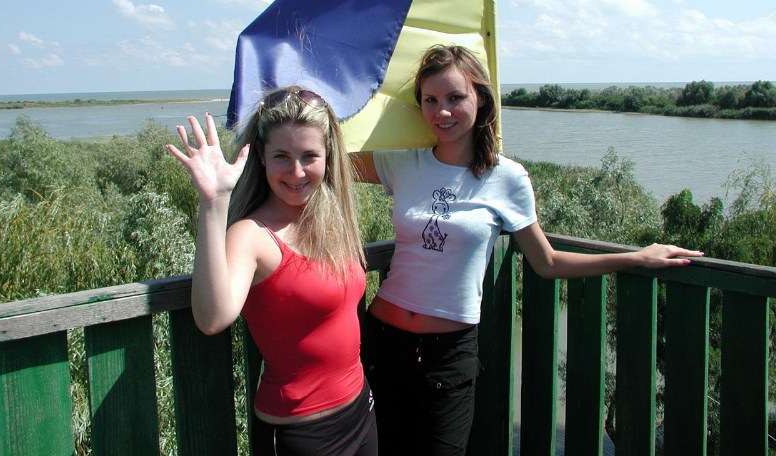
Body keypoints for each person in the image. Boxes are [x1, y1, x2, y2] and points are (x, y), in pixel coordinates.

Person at [351, 45, 703, 456]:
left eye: (455, 97)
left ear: (482, 100)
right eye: (430, 100)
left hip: (448, 355)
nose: (441, 111)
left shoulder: (507, 177)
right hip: (383, 340)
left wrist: (636, 257)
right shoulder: (402, 163)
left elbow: (547, 262)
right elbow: (324, 164)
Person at [166, 87, 377, 456]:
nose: (296, 172)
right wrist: (214, 201)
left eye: (309, 156)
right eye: (282, 156)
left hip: (361, 407)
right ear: (261, 156)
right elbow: (213, 318)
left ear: (328, 155)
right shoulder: (252, 235)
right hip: (302, 432)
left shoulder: (331, 217)